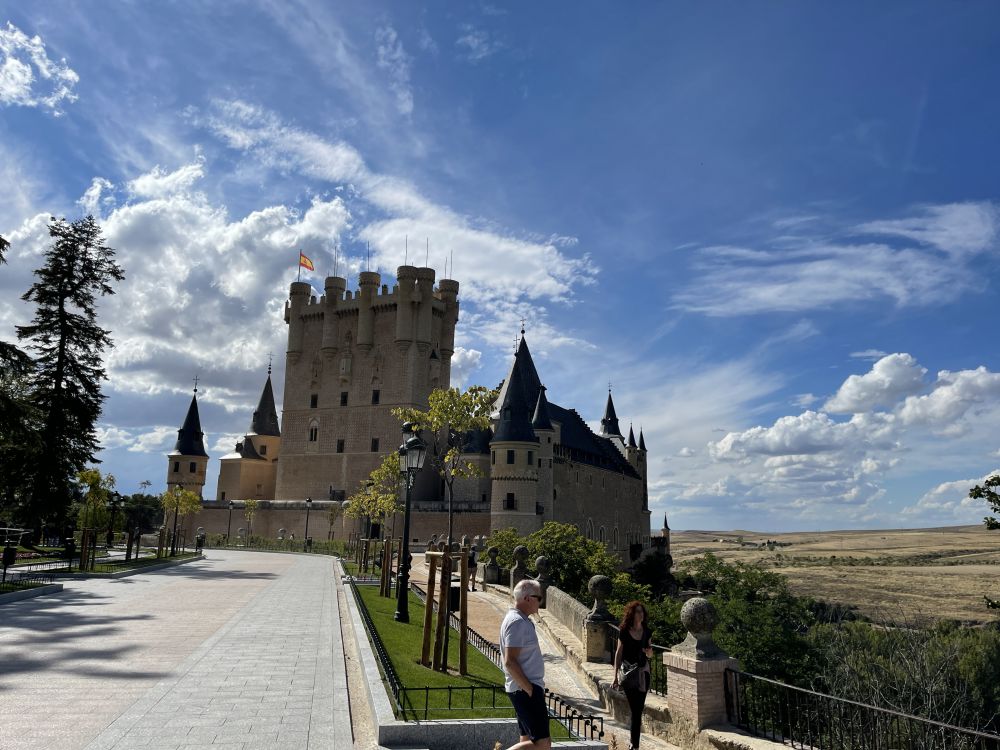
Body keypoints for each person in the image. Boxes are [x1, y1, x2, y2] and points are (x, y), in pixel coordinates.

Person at [500, 579, 550, 750]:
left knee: (526, 739)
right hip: (525, 690)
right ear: (527, 598)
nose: (540, 602)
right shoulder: (517, 622)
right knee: (543, 744)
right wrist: (530, 689)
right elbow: (510, 661)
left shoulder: (520, 620)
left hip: (524, 689)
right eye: (539, 598)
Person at [611, 600, 653, 750]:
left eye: (642, 612)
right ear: (632, 614)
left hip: (643, 675)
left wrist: (648, 652)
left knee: (638, 710)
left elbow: (650, 654)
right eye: (638, 612)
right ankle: (634, 744)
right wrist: (615, 676)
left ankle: (634, 745)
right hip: (629, 676)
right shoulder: (624, 631)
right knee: (635, 709)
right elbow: (618, 653)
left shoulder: (647, 632)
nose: (641, 614)